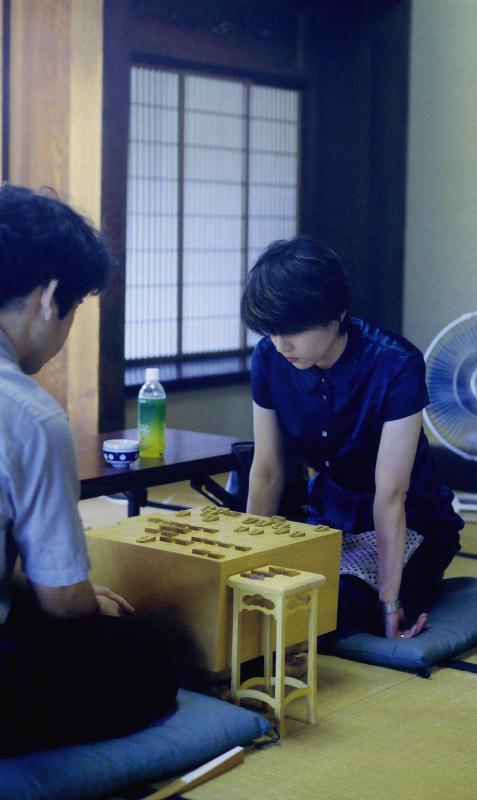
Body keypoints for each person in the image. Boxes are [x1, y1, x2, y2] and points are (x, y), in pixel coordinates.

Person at [0, 184, 178, 755]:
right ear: (50, 298)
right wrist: (87, 600)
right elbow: (64, 604)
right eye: (75, 310)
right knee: (147, 654)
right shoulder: (29, 415)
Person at [241, 236, 463, 642]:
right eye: (272, 330)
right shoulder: (268, 358)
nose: (281, 344)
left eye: (294, 330)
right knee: (274, 599)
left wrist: (389, 603)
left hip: (412, 523)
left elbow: (391, 493)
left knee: (328, 610)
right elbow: (268, 471)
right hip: (331, 521)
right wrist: (246, 567)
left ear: (338, 312)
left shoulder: (396, 364)